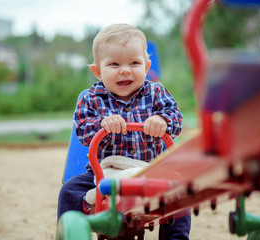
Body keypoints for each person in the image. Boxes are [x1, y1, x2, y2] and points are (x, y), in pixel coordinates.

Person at [57, 23, 191, 240]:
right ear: (98, 71)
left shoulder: (156, 92)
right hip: (103, 172)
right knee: (69, 191)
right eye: (114, 64)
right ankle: (72, 233)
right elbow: (82, 130)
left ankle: (175, 238)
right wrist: (102, 123)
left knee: (181, 189)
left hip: (149, 169)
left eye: (134, 63)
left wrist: (162, 120)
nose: (125, 70)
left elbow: (176, 119)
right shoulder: (91, 98)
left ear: (146, 67)